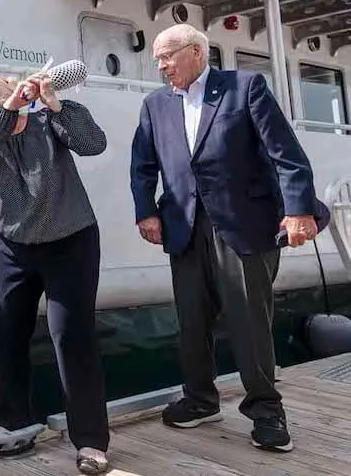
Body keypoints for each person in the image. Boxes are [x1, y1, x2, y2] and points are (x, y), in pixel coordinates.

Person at [129, 23, 327, 453]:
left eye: (167, 56)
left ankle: (267, 411)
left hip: (242, 224)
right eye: (158, 59)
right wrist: (145, 209)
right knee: (192, 320)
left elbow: (286, 154)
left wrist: (298, 210)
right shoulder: (154, 104)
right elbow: (142, 163)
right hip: (183, 224)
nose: (161, 65)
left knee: (248, 322)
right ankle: (200, 400)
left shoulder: (245, 87)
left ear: (196, 52)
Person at [0, 72, 111, 475]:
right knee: (6, 331)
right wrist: (10, 107)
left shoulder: (50, 122)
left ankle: (91, 441)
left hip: (70, 241)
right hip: (13, 246)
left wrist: (53, 102)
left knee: (71, 337)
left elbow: (94, 144)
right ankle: (17, 420)